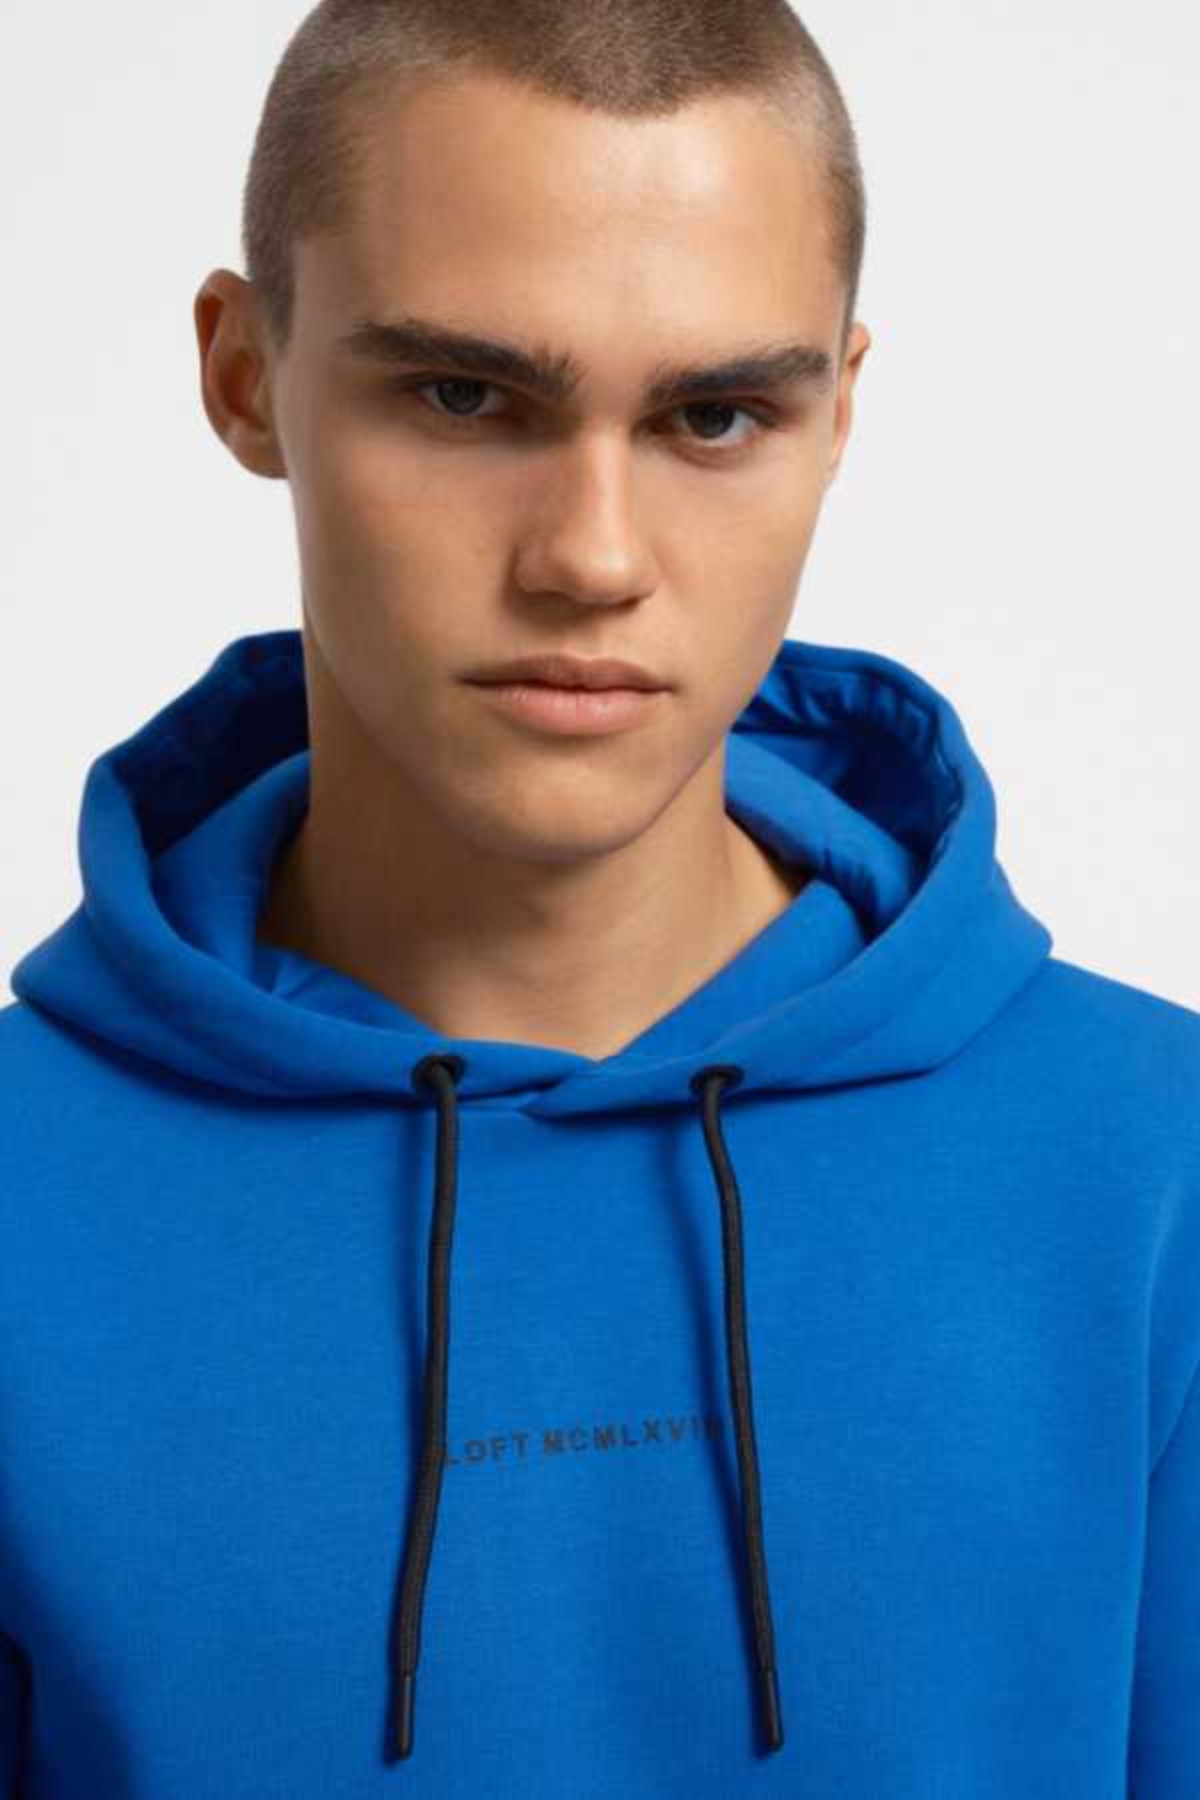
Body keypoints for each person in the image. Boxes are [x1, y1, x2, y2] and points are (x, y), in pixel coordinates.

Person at [2, 0, 1197, 1794]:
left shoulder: (1157, 1168)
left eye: (714, 415)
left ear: (839, 411)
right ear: (245, 377)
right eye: (465, 397)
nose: (594, 556)